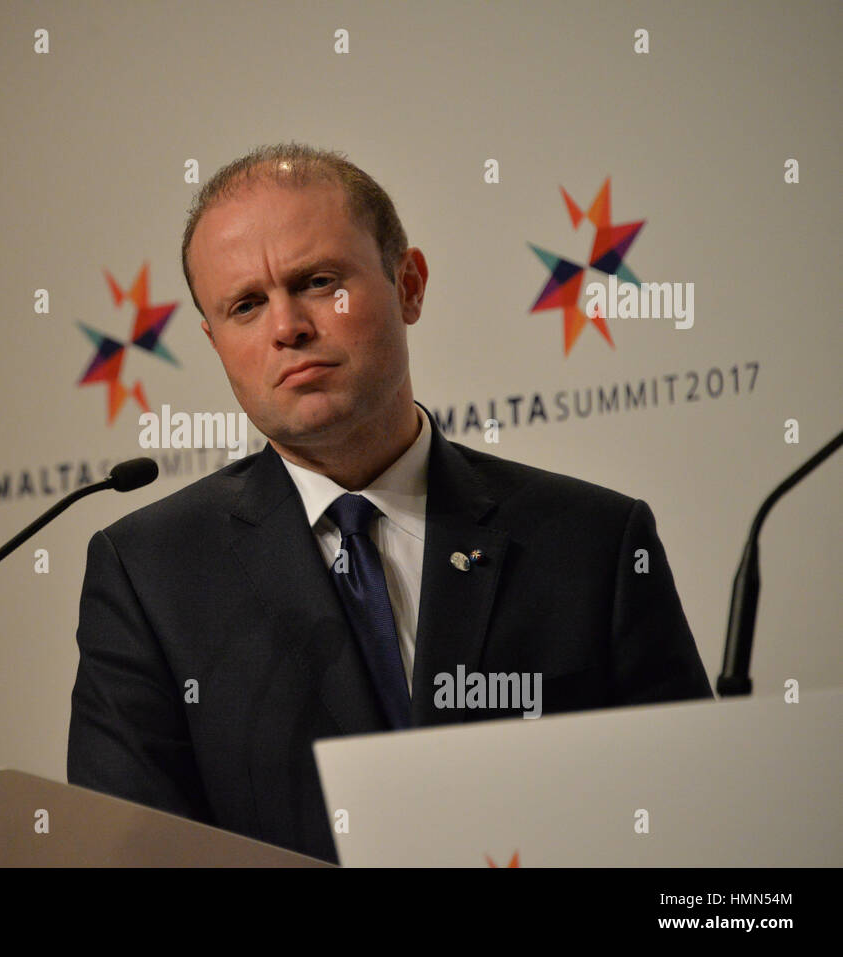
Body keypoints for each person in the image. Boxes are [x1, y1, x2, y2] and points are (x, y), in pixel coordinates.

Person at [67, 143, 712, 864]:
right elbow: (132, 853)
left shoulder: (595, 542)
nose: (287, 328)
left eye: (318, 282)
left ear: (408, 284)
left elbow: (694, 828)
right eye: (246, 305)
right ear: (214, 341)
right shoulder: (150, 575)